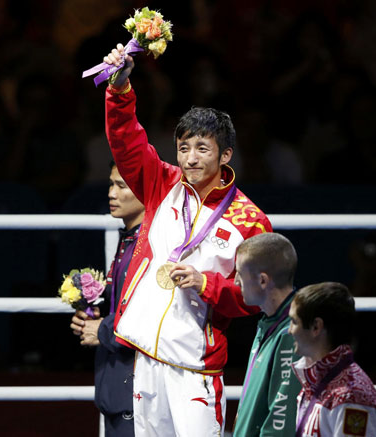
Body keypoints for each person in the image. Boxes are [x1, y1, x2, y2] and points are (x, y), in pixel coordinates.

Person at [100, 43, 273, 436]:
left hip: (196, 367)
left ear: (225, 154)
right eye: (183, 148)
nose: (190, 158)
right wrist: (120, 89)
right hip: (146, 358)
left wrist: (206, 284)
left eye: (202, 148)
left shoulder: (250, 220)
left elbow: (257, 298)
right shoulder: (162, 184)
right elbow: (126, 142)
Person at [70, 162, 144, 437]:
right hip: (119, 387)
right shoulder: (128, 241)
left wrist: (102, 330)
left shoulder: (150, 247)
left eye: (121, 186)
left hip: (136, 393)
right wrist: (94, 319)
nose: (112, 193)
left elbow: (152, 316)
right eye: (111, 185)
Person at [289, 282, 376, 437]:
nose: (289, 330)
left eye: (294, 321)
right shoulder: (316, 384)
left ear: (316, 327)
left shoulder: (352, 397)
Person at [232, 232, 302, 436]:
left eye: (239, 273)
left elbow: (281, 418)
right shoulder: (269, 322)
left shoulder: (291, 332)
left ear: (263, 280)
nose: (236, 282)